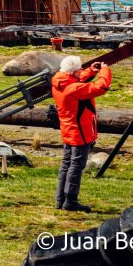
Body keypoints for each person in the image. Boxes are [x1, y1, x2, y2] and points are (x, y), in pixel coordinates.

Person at [52, 56, 112, 212]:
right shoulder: (74, 89)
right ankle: (70, 201)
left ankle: (60, 199)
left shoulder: (59, 81)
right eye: (79, 70)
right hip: (80, 132)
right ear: (74, 71)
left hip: (68, 130)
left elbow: (76, 80)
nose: (80, 72)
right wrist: (104, 70)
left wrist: (91, 70)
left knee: (66, 164)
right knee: (76, 166)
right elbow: (101, 87)